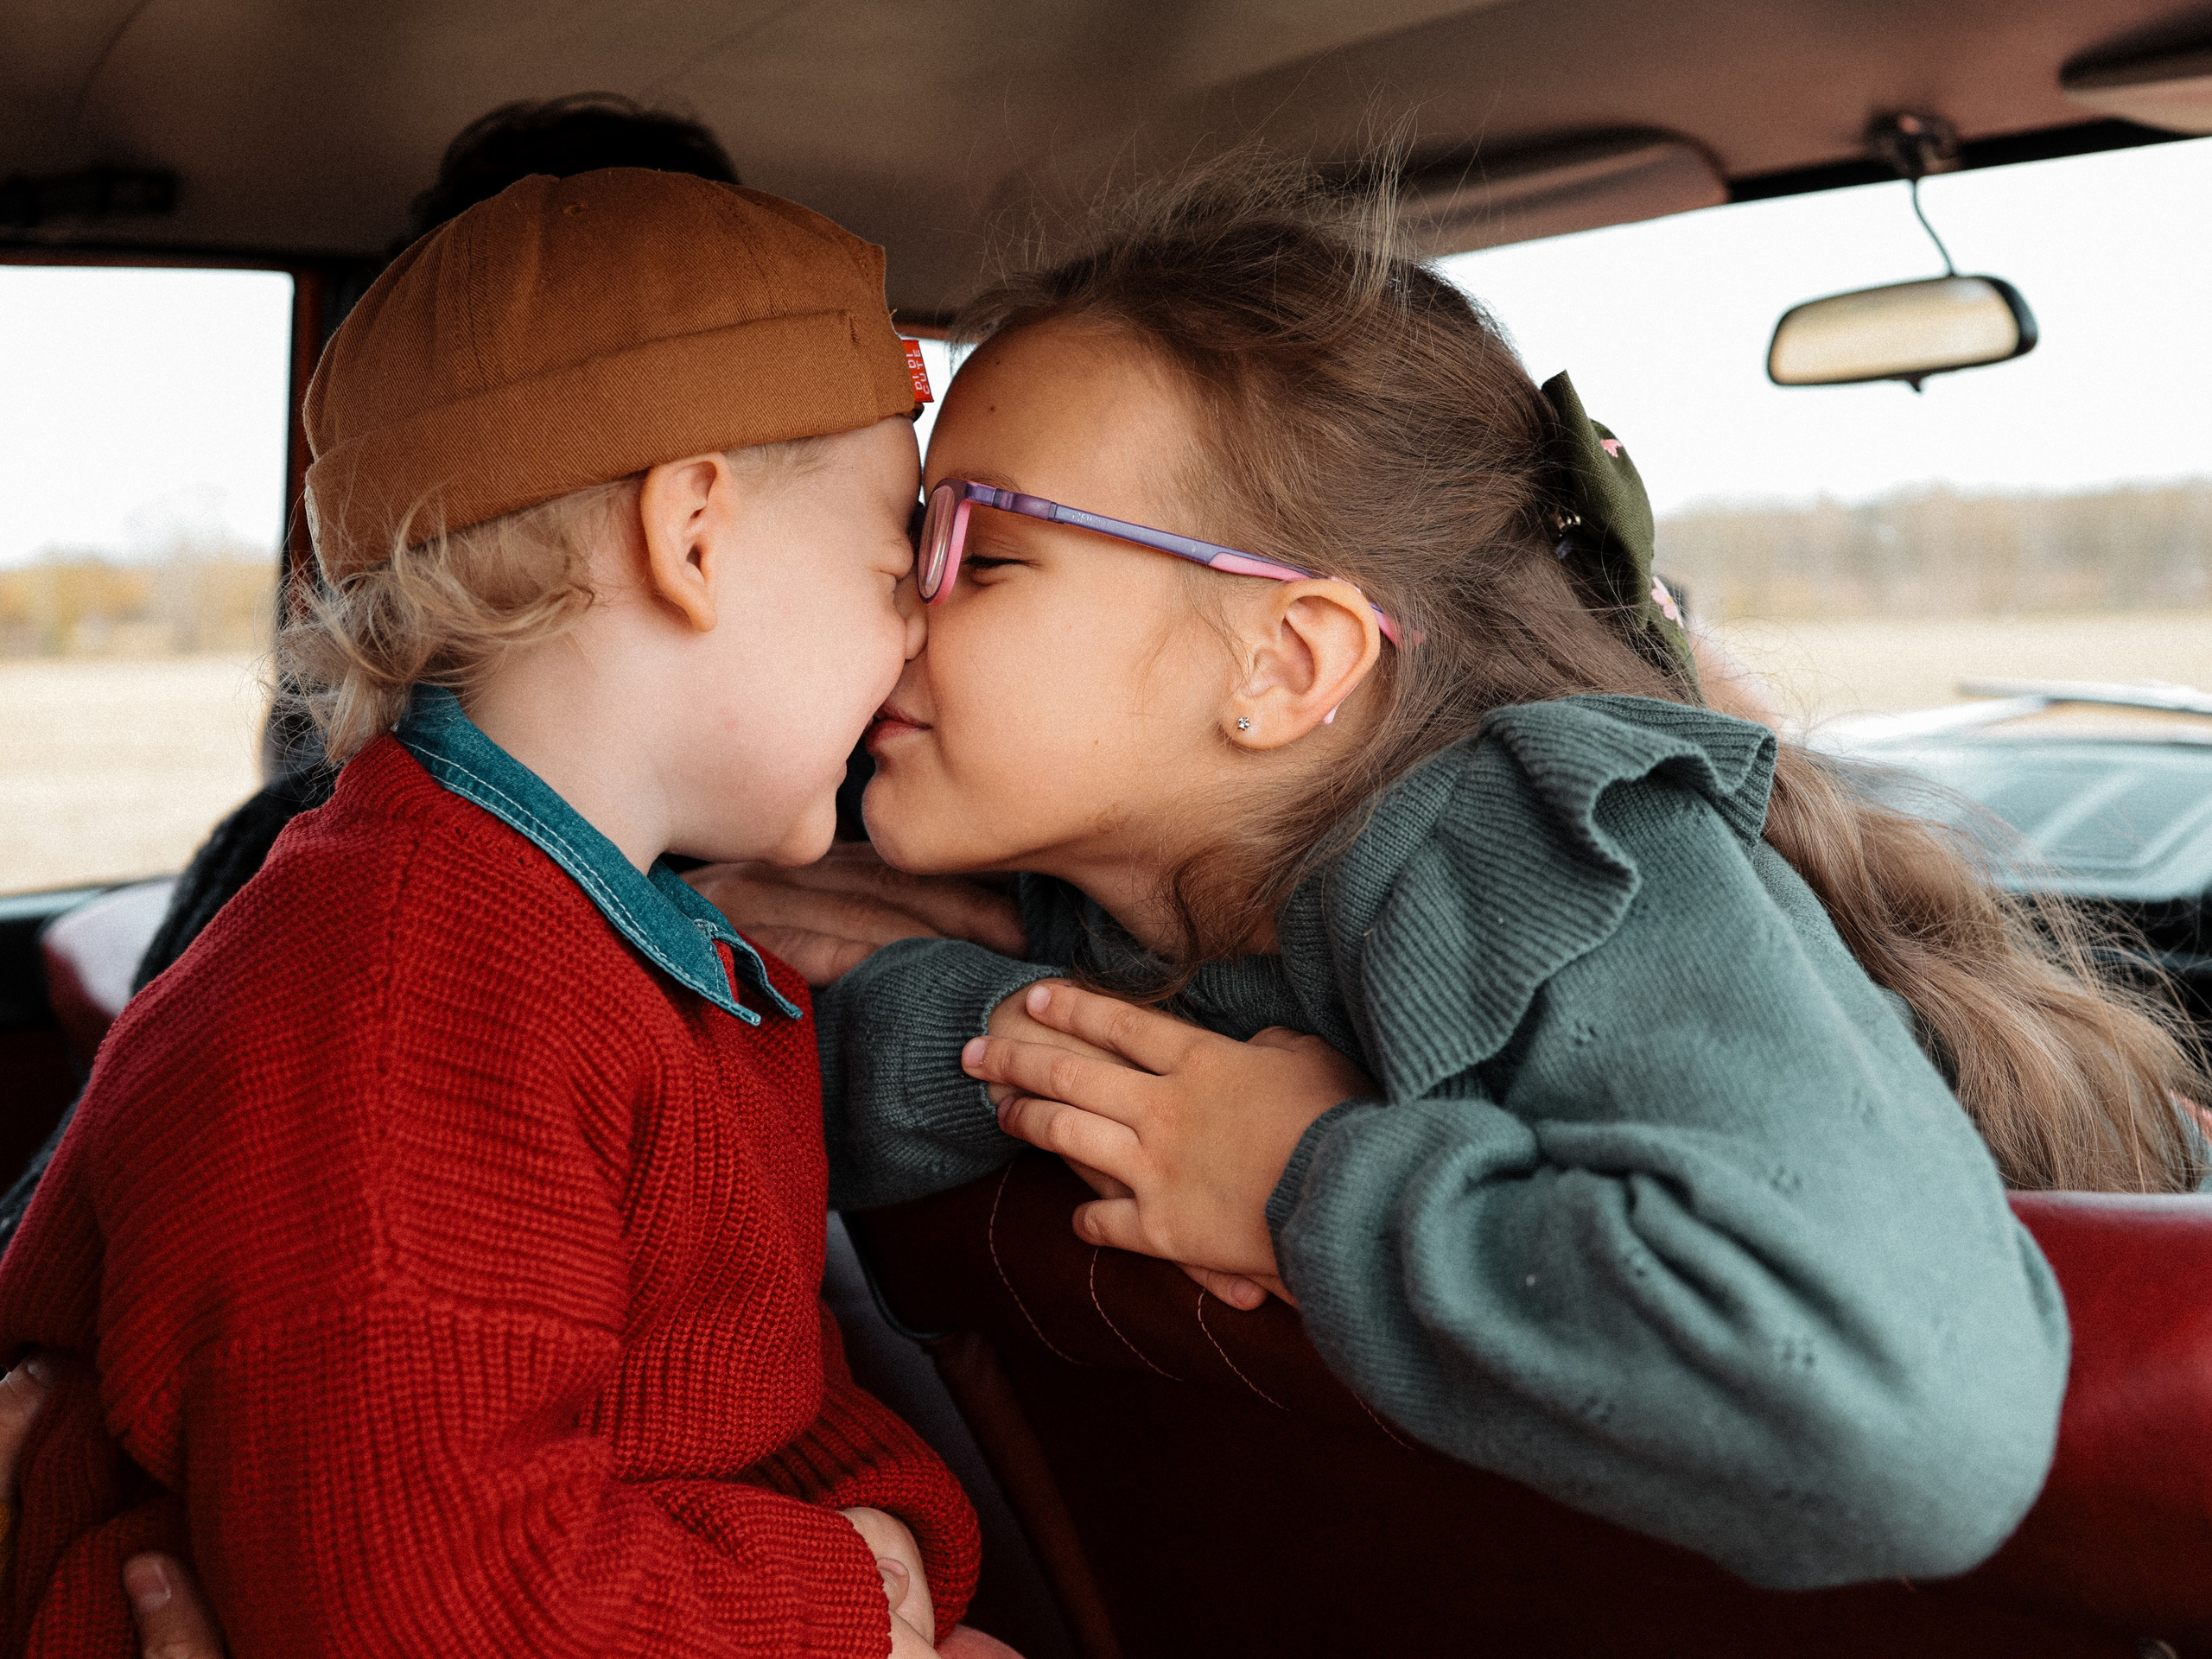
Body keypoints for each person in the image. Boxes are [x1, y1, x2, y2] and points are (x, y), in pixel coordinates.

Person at [769, 159, 2211, 1591]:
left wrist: (1293, 1179)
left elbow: (1902, 1419)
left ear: (1287, 663)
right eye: (911, 539)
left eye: (982, 551)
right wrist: (1012, 1035)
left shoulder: (1516, 852)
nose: (899, 597)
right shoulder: (1106, 916)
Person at [0, 169, 1001, 1656]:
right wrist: (843, 1598)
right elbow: (434, 1601)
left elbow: (735, 1389)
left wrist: (893, 1538)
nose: (918, 639)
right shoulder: (407, 1009)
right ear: (695, 538)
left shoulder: (611, 959)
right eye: (889, 572)